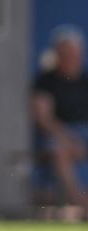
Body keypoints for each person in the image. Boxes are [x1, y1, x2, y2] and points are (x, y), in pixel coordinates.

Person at [32, 25, 88, 217]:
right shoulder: (45, 81)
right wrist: (69, 138)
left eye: (75, 53)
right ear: (57, 54)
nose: (72, 58)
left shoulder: (85, 79)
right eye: (66, 53)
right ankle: (80, 203)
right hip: (58, 134)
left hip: (84, 132)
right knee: (60, 150)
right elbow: (43, 119)